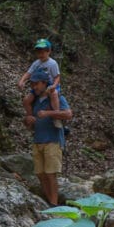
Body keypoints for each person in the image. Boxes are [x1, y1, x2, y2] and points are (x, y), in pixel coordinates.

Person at [24, 72, 72, 206]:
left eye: (36, 84)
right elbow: (27, 122)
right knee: (40, 174)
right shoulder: (34, 101)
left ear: (44, 83)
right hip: (38, 140)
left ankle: (53, 204)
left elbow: (68, 114)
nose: (34, 87)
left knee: (51, 174)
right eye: (32, 84)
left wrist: (48, 113)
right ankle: (48, 202)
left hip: (53, 140)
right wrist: (28, 120)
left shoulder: (56, 97)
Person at [18, 38, 63, 129]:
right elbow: (28, 73)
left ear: (49, 51)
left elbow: (57, 76)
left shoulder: (52, 63)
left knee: (54, 94)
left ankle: (56, 116)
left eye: (43, 52)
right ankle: (31, 117)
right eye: (39, 52)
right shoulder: (36, 63)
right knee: (26, 100)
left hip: (50, 85)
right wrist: (21, 81)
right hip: (38, 86)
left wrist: (54, 85)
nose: (41, 54)